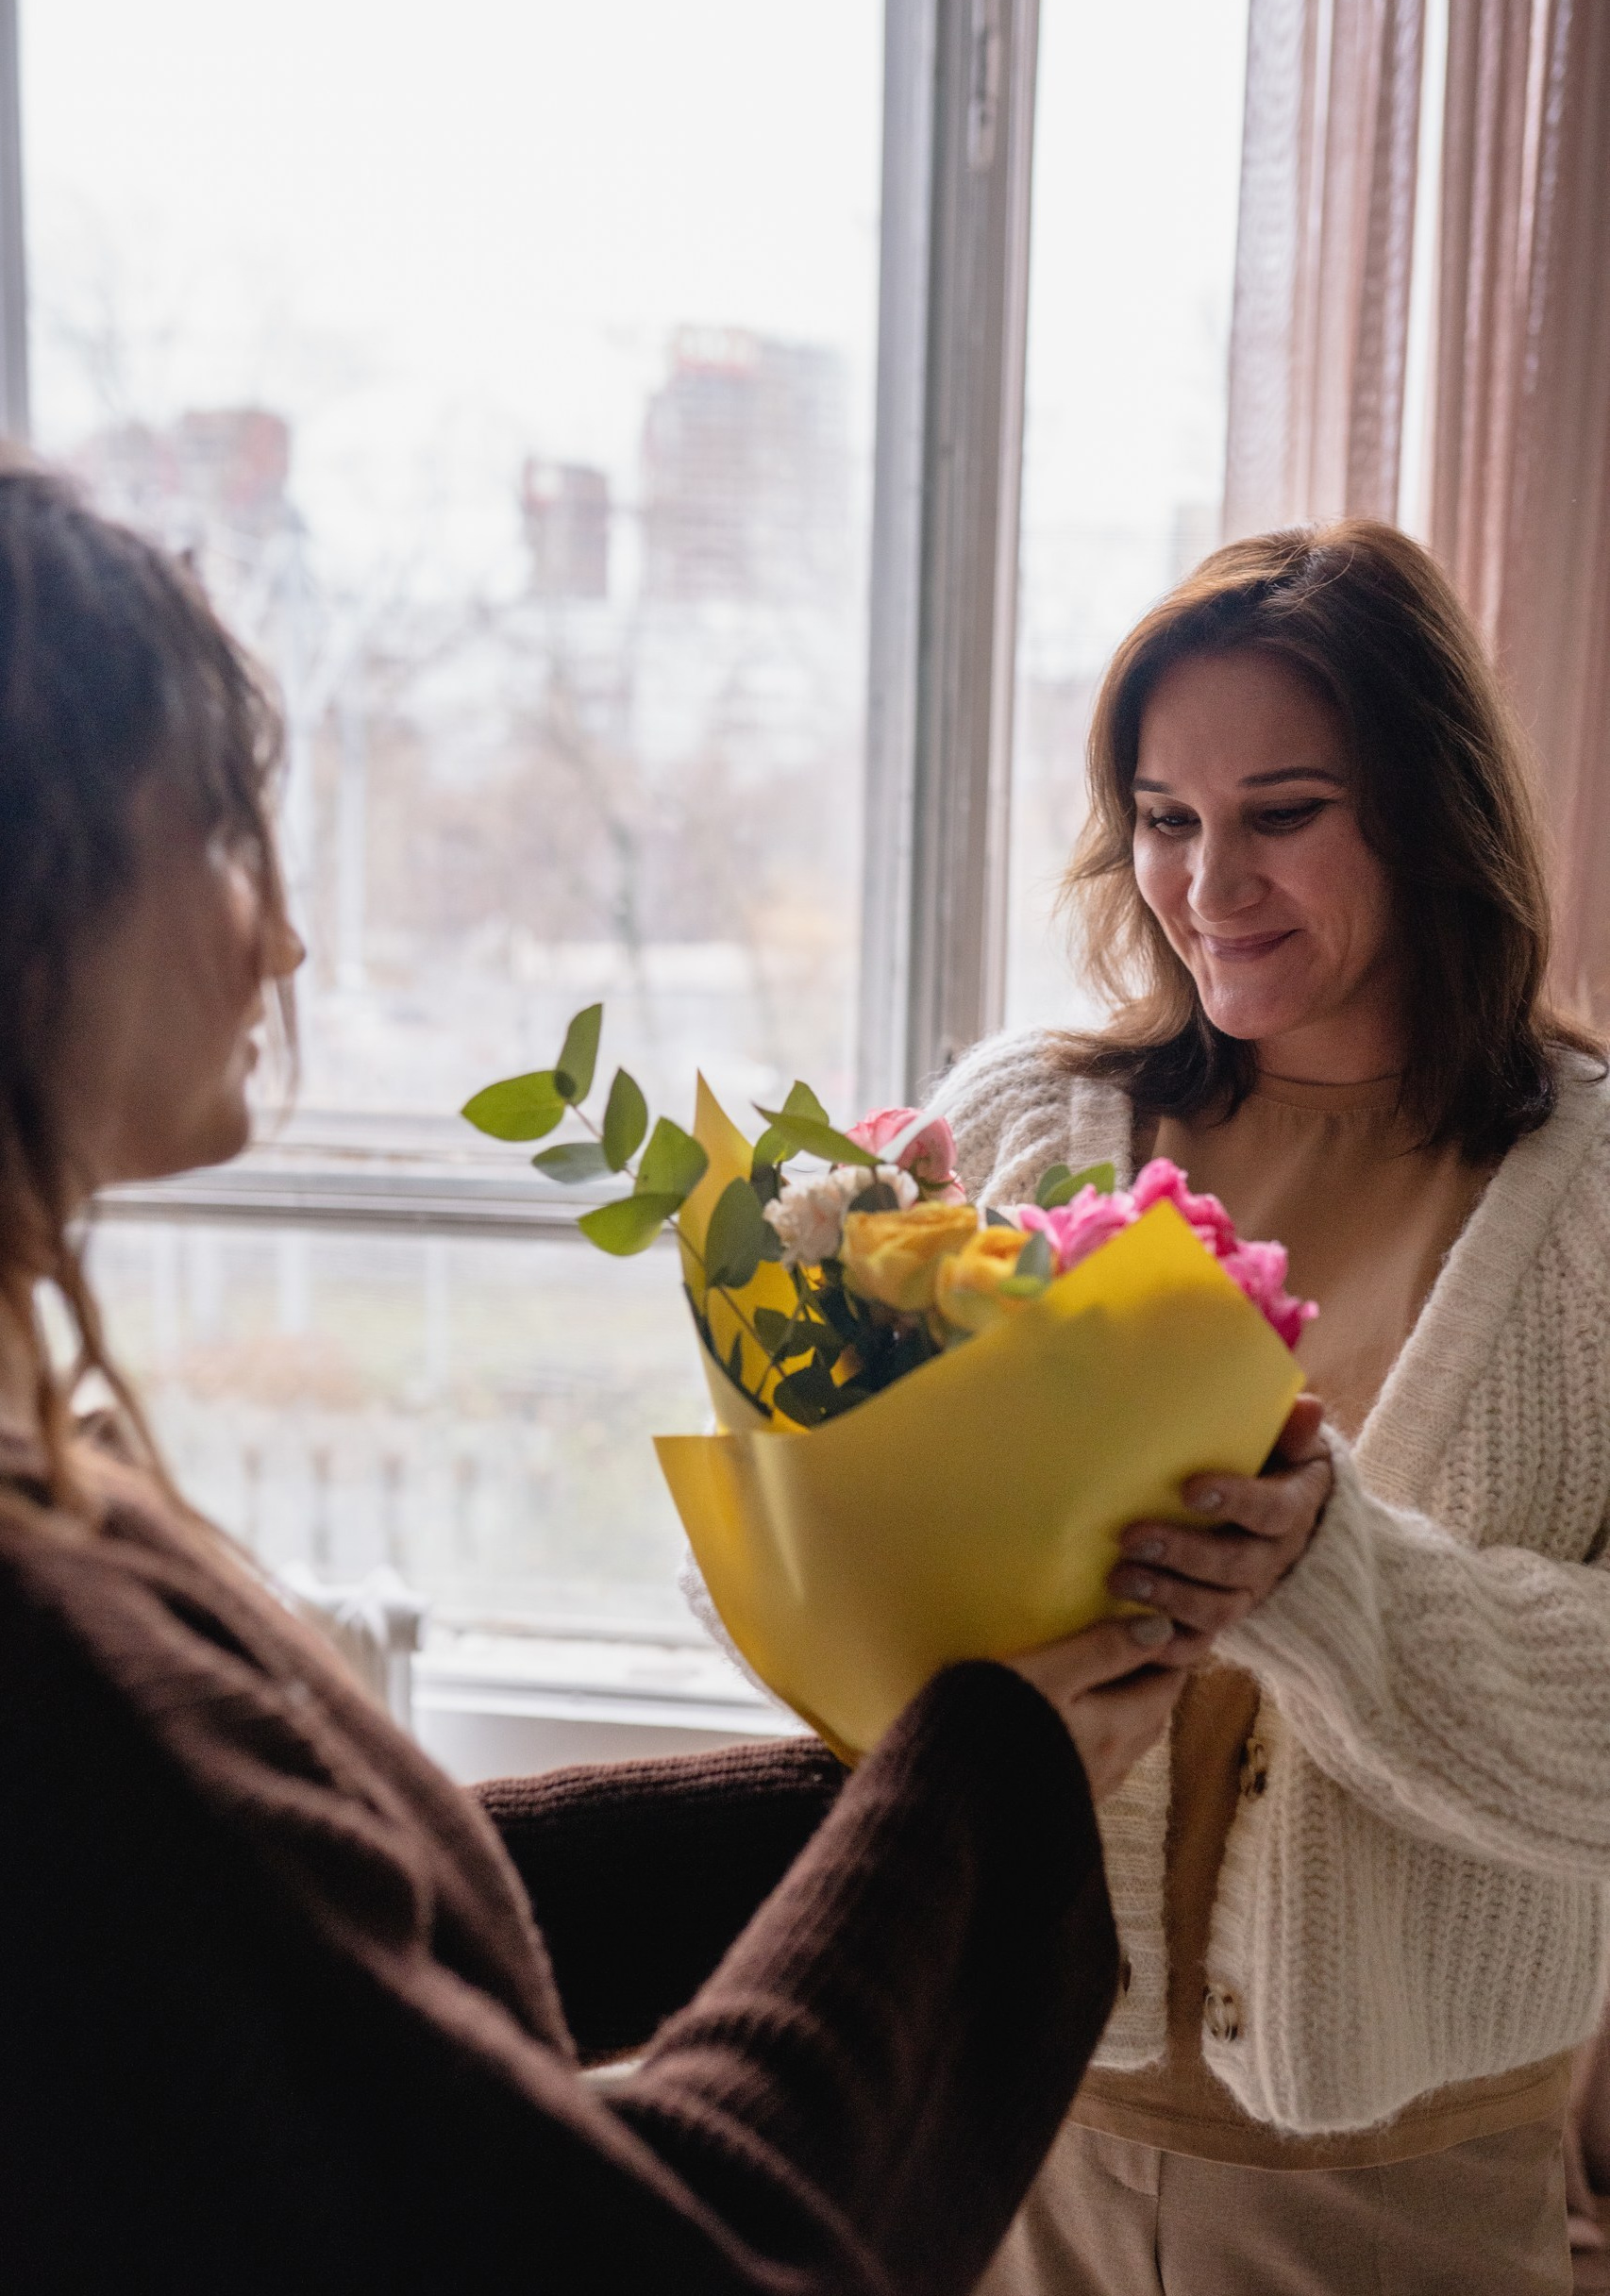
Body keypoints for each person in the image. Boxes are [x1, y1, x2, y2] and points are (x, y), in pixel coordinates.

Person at [0, 458, 1294, 2295]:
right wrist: (986, 1779)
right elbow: (650, 2249)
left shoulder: (52, 1499)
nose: (281, 936)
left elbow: (333, 1941)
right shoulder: (48, 1644)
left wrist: (913, 1777)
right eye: (218, 833)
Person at [934, 518, 1610, 2295]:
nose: (1207, 882)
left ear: (1430, 811)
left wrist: (1330, 1581)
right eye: (1165, 818)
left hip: (1401, 2190)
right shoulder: (1015, 1129)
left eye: (1282, 812)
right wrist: (811, 1380)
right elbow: (814, 1594)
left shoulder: (1593, 1206)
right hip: (1008, 2127)